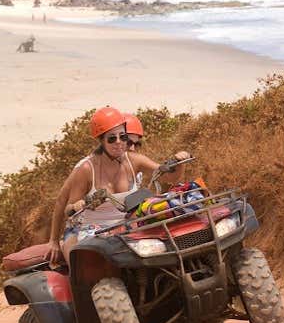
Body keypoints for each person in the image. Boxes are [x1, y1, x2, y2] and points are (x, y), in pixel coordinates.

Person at [45, 106, 190, 265]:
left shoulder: (134, 160)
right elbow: (65, 206)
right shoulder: (86, 169)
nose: (120, 142)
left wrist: (179, 162)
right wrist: (76, 206)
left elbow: (169, 176)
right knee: (89, 271)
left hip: (125, 226)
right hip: (88, 231)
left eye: (123, 136)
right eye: (112, 138)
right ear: (101, 140)